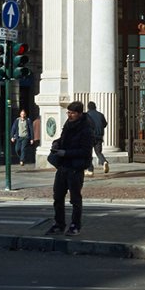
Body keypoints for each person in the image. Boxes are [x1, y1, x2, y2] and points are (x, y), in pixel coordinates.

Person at [48, 101, 95, 236]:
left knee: (75, 199)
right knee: (57, 197)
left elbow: (86, 151)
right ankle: (59, 223)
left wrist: (66, 153)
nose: (69, 115)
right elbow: (62, 138)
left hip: (75, 168)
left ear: (79, 114)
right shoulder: (68, 125)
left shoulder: (86, 129)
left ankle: (75, 225)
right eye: (68, 112)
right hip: (63, 166)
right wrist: (57, 144)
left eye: (72, 113)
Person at [82, 96, 108, 175]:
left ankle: (90, 170)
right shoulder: (101, 115)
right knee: (98, 152)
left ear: (88, 108)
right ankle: (104, 162)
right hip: (99, 136)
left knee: (88, 153)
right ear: (95, 107)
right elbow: (104, 124)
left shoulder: (86, 115)